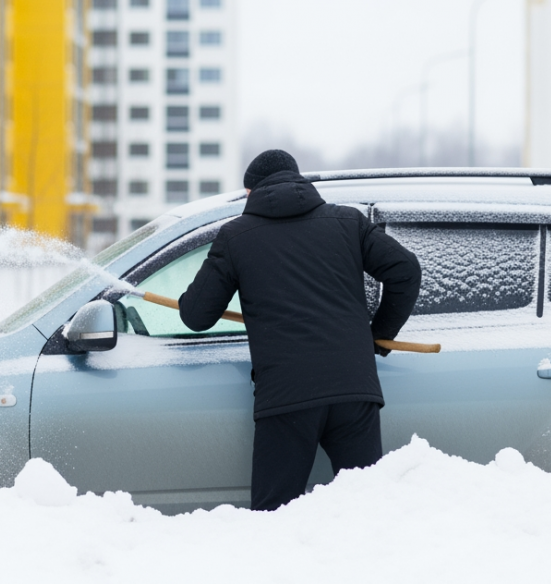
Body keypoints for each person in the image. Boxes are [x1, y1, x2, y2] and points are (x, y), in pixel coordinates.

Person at [178, 149, 421, 512]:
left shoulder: (236, 237)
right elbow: (406, 270)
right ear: (299, 181)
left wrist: (190, 298)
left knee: (275, 515)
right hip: (354, 390)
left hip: (287, 398)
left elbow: (196, 317)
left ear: (250, 192)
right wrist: (377, 333)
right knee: (366, 510)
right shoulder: (348, 222)